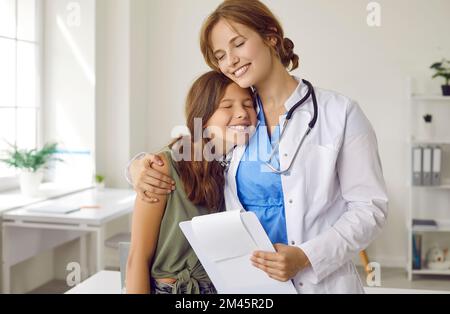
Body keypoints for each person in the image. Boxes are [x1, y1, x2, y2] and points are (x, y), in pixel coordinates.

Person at [126, 0, 388, 294]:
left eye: (238, 44)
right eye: (221, 55)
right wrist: (136, 166)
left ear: (271, 36)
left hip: (322, 284)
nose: (231, 61)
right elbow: (187, 148)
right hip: (250, 288)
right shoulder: (238, 119)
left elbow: (370, 208)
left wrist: (306, 256)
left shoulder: (340, 113)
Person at [125, 71, 257, 294]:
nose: (242, 113)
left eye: (249, 104)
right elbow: (137, 256)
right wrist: (134, 167)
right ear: (203, 117)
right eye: (227, 106)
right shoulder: (164, 166)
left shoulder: (245, 168)